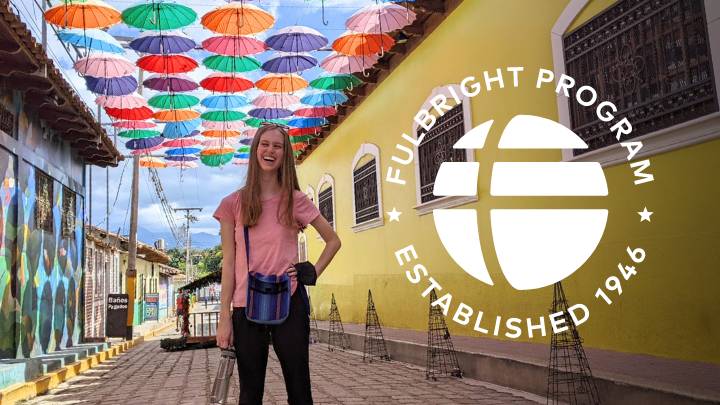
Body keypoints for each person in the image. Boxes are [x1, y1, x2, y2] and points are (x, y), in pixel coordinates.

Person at [214, 123, 341, 405]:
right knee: (249, 393)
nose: (270, 150)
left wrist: (312, 270)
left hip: (289, 299)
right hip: (245, 304)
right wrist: (224, 317)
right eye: (265, 144)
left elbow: (333, 241)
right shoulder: (231, 204)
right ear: (255, 149)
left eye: (278, 146)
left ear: (285, 155)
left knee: (299, 389)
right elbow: (229, 263)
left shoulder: (296, 200)